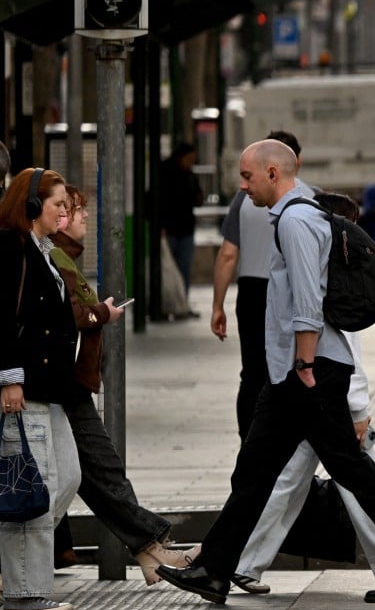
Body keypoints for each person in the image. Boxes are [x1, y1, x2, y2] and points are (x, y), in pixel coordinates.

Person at [155, 140, 375, 605]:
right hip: (292, 373)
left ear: (273, 173)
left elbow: (307, 300)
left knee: (350, 468)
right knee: (255, 471)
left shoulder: (296, 221)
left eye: (247, 177)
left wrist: (304, 364)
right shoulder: (295, 216)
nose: (243, 187)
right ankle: (215, 570)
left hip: (309, 371)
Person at [231, 192, 375, 601]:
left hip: (302, 390)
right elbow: (349, 352)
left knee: (285, 482)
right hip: (327, 396)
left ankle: (243, 563)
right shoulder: (333, 278)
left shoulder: (308, 267)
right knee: (362, 486)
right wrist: (359, 410)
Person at [50, 185, 197, 585]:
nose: (82, 216)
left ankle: (149, 548)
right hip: (59, 385)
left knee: (94, 471)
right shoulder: (49, 256)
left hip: (68, 384)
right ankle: (150, 546)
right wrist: (101, 313)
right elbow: (65, 315)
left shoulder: (57, 256)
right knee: (87, 472)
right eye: (70, 208)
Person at [0, 167, 81, 610]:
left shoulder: (44, 250)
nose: (64, 213)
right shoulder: (12, 248)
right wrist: (9, 378)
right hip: (25, 386)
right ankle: (23, 591)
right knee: (31, 485)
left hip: (50, 388)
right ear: (32, 205)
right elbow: (3, 317)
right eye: (58, 204)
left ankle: (17, 571)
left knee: (66, 476)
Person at [212, 130, 307, 442]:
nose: (245, 183)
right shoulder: (312, 198)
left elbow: (228, 255)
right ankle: (279, 441)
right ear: (297, 162)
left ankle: (250, 440)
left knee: (252, 373)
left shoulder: (243, 200)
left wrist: (217, 306)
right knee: (286, 371)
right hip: (289, 293)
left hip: (251, 292)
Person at [157, 141, 203, 303]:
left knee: (184, 268)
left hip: (186, 228)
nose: (190, 163)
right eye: (189, 159)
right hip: (170, 228)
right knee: (168, 267)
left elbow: (198, 197)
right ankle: (167, 302)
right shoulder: (166, 172)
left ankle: (182, 301)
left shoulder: (190, 175)